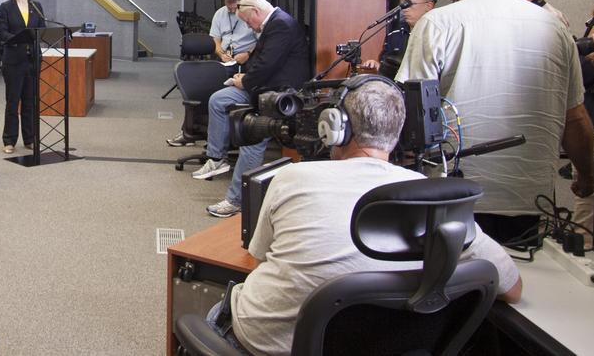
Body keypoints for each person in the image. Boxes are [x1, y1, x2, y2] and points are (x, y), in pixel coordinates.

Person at [219, 78, 521, 356]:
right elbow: (512, 289)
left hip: (266, 347)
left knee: (223, 307)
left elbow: (258, 260)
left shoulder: (293, 178)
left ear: (336, 126)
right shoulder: (437, 201)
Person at [397, 0, 594, 243]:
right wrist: (586, 175)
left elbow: (409, 111)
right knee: (521, 274)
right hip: (532, 202)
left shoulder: (438, 24)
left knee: (458, 274)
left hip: (456, 199)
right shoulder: (555, 28)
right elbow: (575, 118)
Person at [193, 0, 310, 218]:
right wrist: (244, 76)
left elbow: (267, 65)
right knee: (218, 100)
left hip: (278, 93)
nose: (248, 26)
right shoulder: (273, 24)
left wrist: (245, 81)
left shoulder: (281, 25)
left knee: (251, 138)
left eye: (248, 21)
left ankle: (236, 200)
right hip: (263, 85)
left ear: (255, 12)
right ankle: (217, 158)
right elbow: (262, 62)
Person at [167, 0, 256, 147]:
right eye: (228, 5)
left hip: (246, 60)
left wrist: (248, 54)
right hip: (225, 59)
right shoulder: (220, 14)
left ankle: (222, 135)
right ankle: (190, 131)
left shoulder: (249, 14)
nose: (231, 9)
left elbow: (261, 41)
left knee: (220, 92)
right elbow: (215, 39)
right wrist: (221, 53)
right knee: (200, 87)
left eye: (234, 5)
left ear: (241, 1)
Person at [0, 0, 45, 154]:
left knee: (30, 101)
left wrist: (35, 37)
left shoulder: (36, 6)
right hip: (14, 60)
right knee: (13, 101)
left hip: (32, 59)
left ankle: (29, 138)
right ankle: (9, 140)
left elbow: (42, 29)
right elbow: (1, 32)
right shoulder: (6, 7)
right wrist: (18, 38)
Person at [360, 0, 438, 77]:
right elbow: (385, 64)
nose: (404, 9)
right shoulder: (394, 34)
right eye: (403, 4)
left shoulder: (438, 36)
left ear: (429, 5)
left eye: (409, 3)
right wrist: (378, 66)